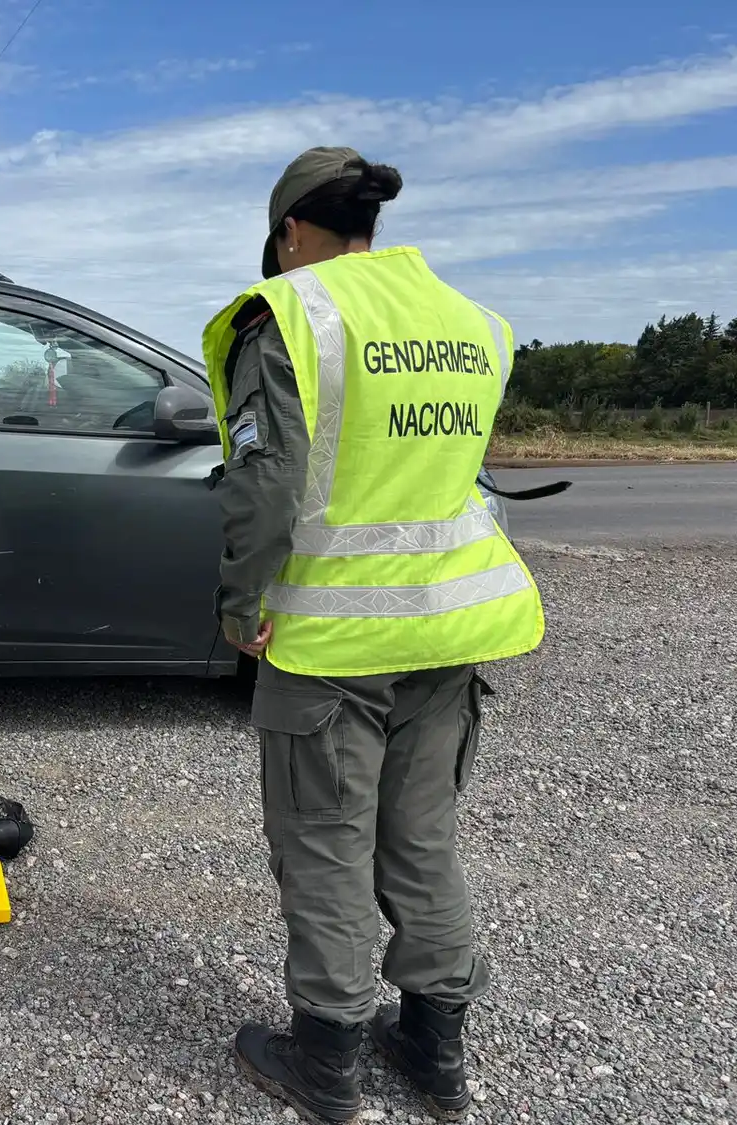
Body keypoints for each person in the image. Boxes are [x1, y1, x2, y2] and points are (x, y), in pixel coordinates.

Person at [202, 147, 546, 1124]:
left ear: (291, 231)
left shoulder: (294, 317)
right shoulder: (471, 323)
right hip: (450, 628)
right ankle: (437, 1055)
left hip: (332, 642)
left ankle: (328, 1066)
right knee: (423, 842)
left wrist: (239, 606)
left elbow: (265, 486)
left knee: (324, 849)